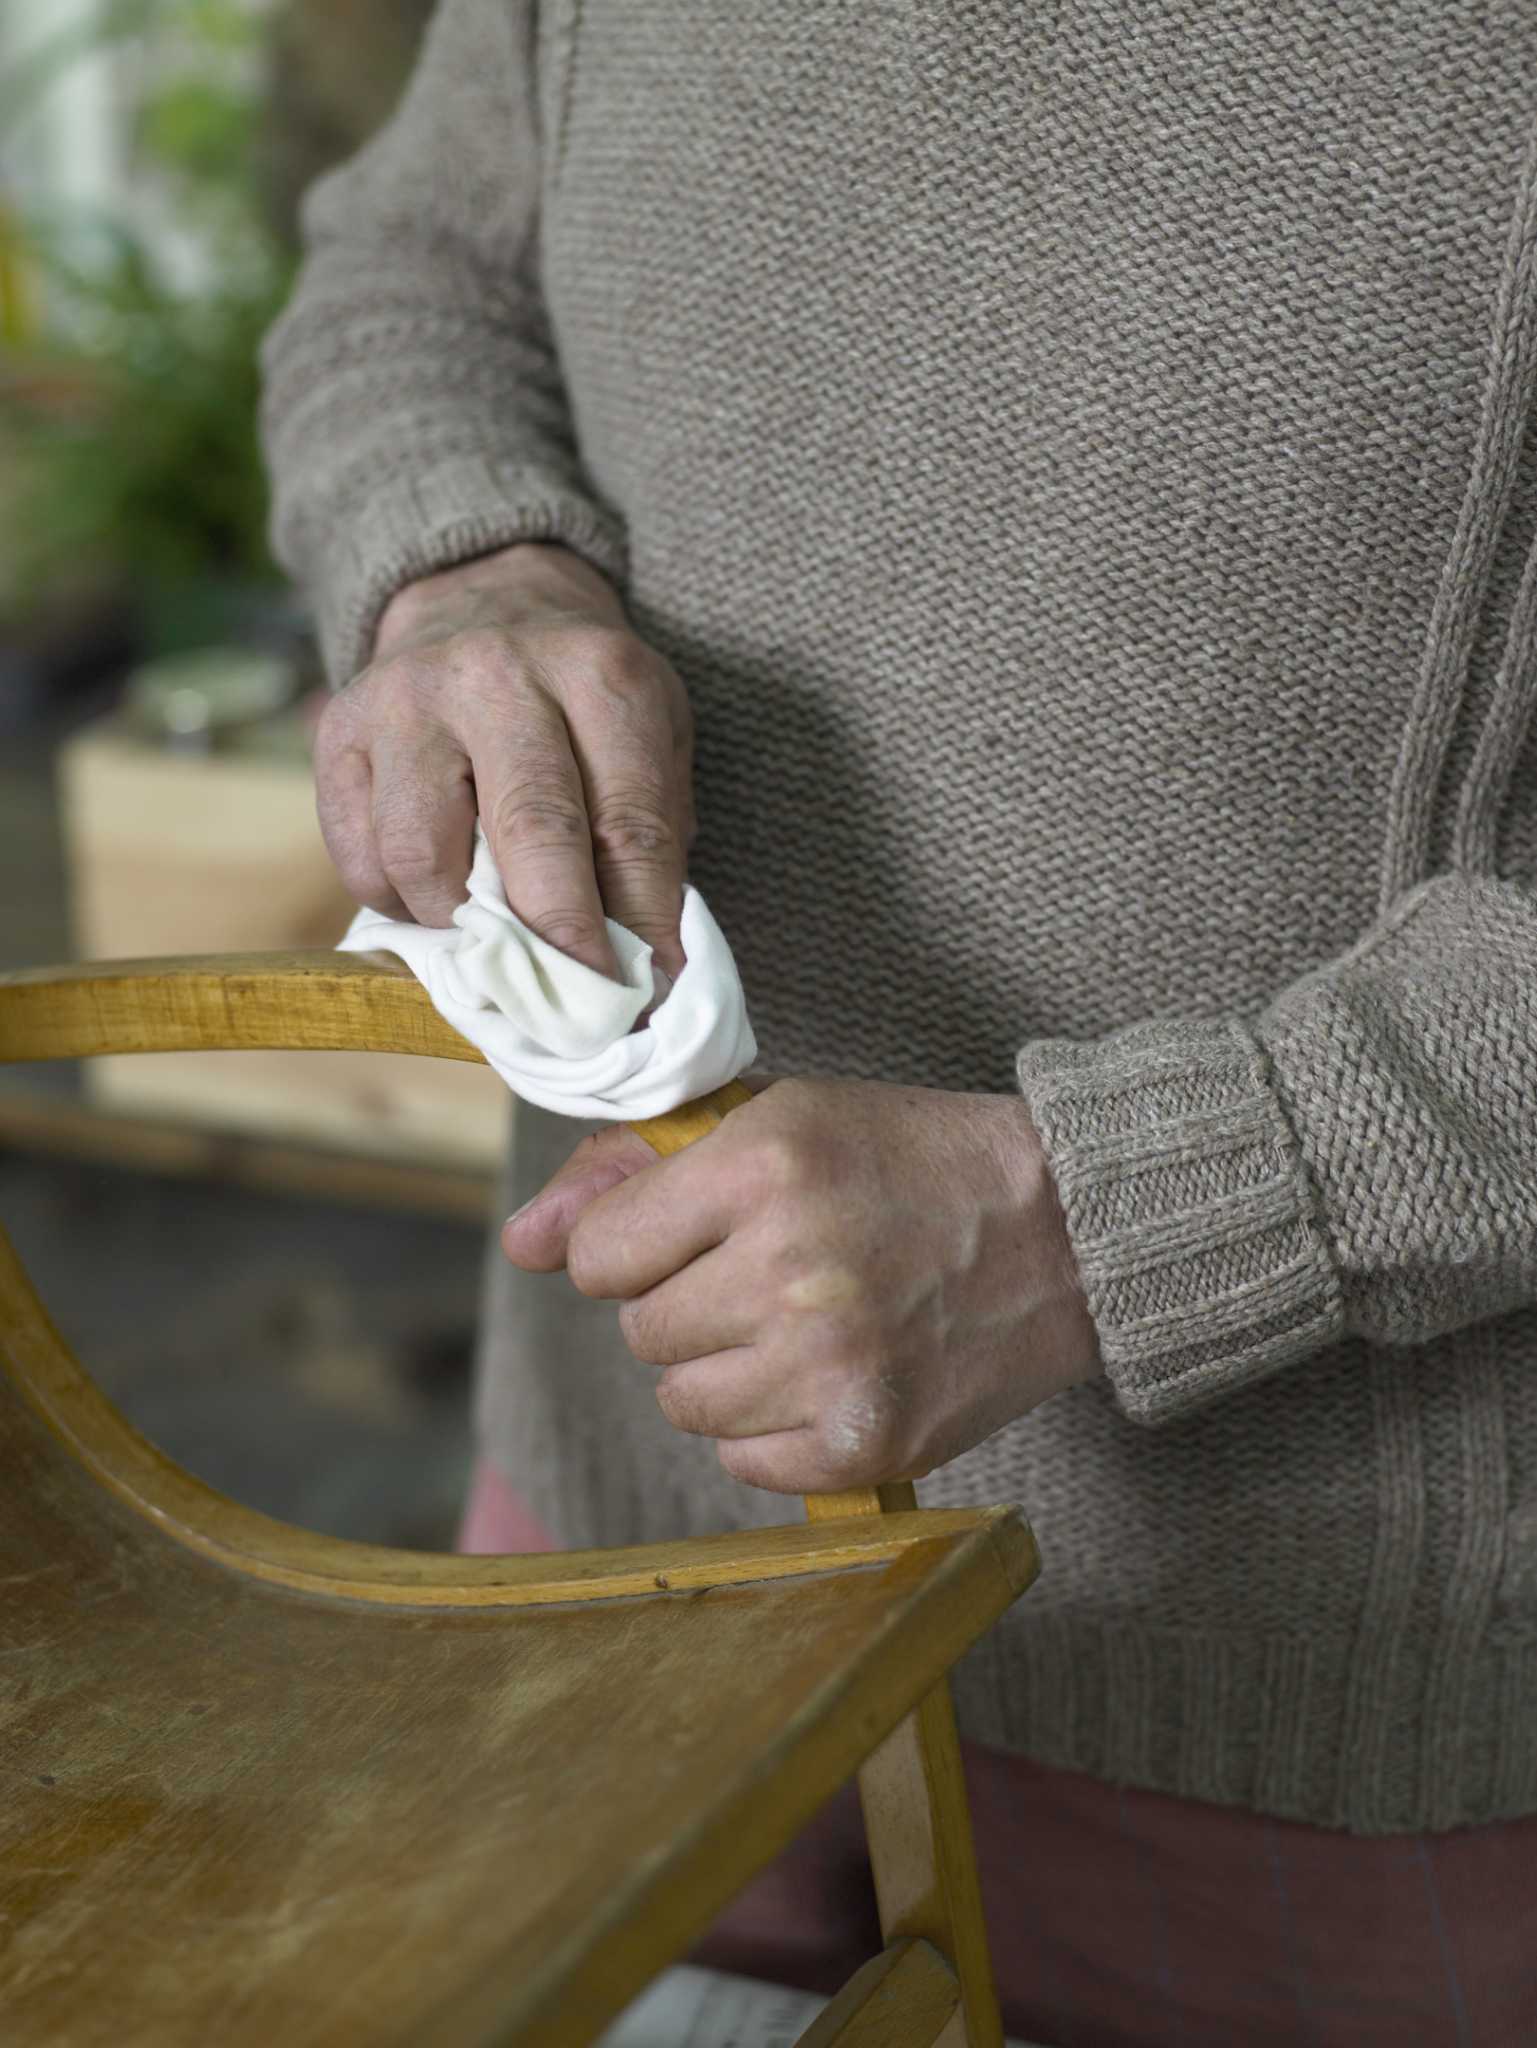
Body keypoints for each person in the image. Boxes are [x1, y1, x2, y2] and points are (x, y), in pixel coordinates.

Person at [261, 6, 1537, 2042]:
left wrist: (1099, 1215)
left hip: (1309, 1736)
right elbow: (415, 268)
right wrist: (458, 570)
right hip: (609, 1559)